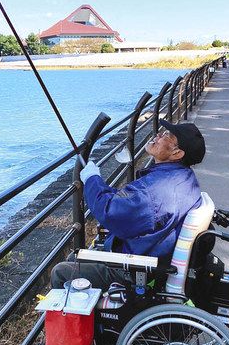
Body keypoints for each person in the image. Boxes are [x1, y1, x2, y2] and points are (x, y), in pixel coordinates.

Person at [51, 119, 206, 291]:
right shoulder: (183, 177)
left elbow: (110, 212)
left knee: (61, 273)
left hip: (137, 270)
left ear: (177, 153)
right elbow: (125, 203)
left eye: (166, 135)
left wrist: (91, 179)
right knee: (75, 258)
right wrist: (99, 184)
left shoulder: (154, 190)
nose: (158, 135)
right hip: (155, 257)